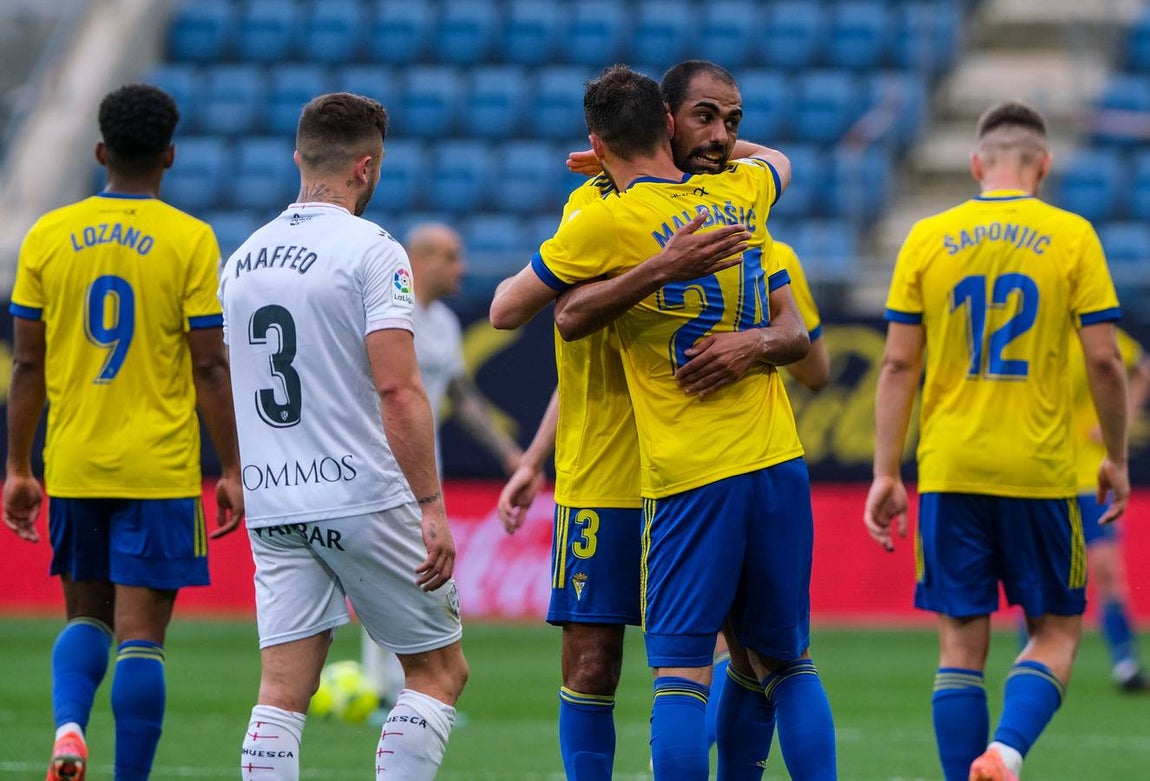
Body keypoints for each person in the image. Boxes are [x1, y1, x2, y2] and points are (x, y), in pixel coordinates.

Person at [491, 64, 837, 781]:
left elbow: (801, 340)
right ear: (666, 125)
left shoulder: (735, 203)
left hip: (686, 470)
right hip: (608, 465)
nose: (722, 137)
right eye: (705, 120)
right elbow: (572, 329)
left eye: (732, 124)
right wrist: (535, 457)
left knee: (731, 660)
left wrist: (757, 343)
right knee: (594, 661)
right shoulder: (594, 211)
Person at [863, 100, 1130, 781]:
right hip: (1039, 469)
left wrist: (886, 472)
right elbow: (1105, 360)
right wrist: (1118, 457)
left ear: (978, 164)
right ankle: (1005, 752)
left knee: (959, 647)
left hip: (951, 469)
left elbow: (897, 365)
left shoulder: (927, 236)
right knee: (1057, 631)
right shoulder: (1071, 236)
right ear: (1042, 166)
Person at [220, 92, 468, 781]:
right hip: (357, 490)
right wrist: (430, 503)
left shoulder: (241, 261)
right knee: (439, 670)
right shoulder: (372, 250)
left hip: (274, 498)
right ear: (366, 168)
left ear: (299, 158)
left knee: (281, 691)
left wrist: (238, 472)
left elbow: (225, 378)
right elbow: (398, 387)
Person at [3, 83, 244, 781]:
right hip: (159, 468)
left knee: (85, 617)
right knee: (142, 640)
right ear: (169, 155)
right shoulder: (190, 239)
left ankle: (70, 726)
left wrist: (19, 466)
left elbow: (26, 363)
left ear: (101, 150)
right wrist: (229, 467)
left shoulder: (48, 235)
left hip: (75, 460)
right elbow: (209, 365)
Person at [361, 221, 523, 710]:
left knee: (412, 575)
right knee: (387, 576)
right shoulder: (388, 312)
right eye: (452, 256)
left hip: (421, 474)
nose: (463, 267)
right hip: (373, 466)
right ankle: (383, 688)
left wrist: (509, 454)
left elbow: (461, 397)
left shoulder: (444, 323)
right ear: (422, 260)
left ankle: (393, 688)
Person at [1069, 327, 1150, 691]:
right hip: (1041, 476)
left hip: (1090, 476)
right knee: (1045, 574)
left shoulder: (1095, 333)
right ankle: (1033, 661)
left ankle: (1125, 663)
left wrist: (1121, 418)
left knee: (1107, 571)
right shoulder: (1035, 332)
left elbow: (1141, 369)